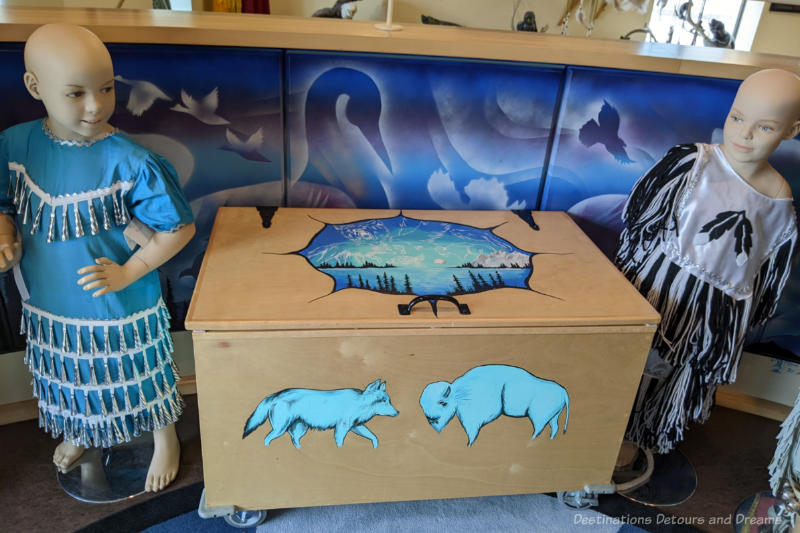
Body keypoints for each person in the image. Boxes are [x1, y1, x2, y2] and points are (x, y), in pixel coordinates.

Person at [0, 24, 195, 493]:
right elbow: (4, 203)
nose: (96, 105)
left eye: (106, 88)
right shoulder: (15, 144)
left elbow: (179, 227)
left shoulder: (129, 160)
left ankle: (164, 436)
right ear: (35, 88)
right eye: (75, 93)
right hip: (49, 296)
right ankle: (79, 427)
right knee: (66, 366)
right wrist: (5, 231)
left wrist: (131, 271)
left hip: (118, 296)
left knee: (137, 368)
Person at [615, 69, 800, 457]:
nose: (744, 134)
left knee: (673, 376)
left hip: (713, 311)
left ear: (791, 130)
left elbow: (766, 270)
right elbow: (641, 224)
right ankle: (604, 422)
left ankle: (640, 435)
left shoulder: (780, 201)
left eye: (764, 127)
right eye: (737, 117)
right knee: (627, 363)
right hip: (658, 288)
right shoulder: (692, 163)